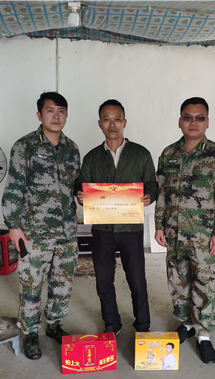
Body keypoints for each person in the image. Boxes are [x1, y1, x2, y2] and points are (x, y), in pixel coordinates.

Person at [154, 97, 215, 364]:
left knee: (204, 283)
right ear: (180, 121)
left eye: (200, 118)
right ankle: (187, 323)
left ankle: (203, 334)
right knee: (178, 281)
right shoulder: (168, 154)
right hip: (174, 233)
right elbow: (162, 194)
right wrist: (158, 226)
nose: (193, 122)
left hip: (204, 236)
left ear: (207, 122)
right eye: (188, 117)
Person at [2, 91, 81, 360]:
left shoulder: (72, 148)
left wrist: (84, 193)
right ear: (39, 115)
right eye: (50, 110)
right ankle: (30, 331)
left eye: (61, 111)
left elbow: (76, 183)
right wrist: (13, 226)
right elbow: (14, 187)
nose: (56, 116)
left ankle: (54, 323)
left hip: (67, 231)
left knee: (63, 284)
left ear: (66, 115)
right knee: (32, 285)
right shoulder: (25, 147)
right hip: (33, 233)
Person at [75, 99, 157, 334]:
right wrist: (80, 194)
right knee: (103, 280)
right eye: (107, 119)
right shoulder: (91, 158)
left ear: (124, 122)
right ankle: (111, 323)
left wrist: (150, 195)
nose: (112, 124)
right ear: (100, 123)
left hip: (131, 229)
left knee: (137, 281)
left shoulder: (141, 154)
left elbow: (152, 183)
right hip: (102, 230)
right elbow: (81, 184)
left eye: (117, 119)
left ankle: (143, 324)